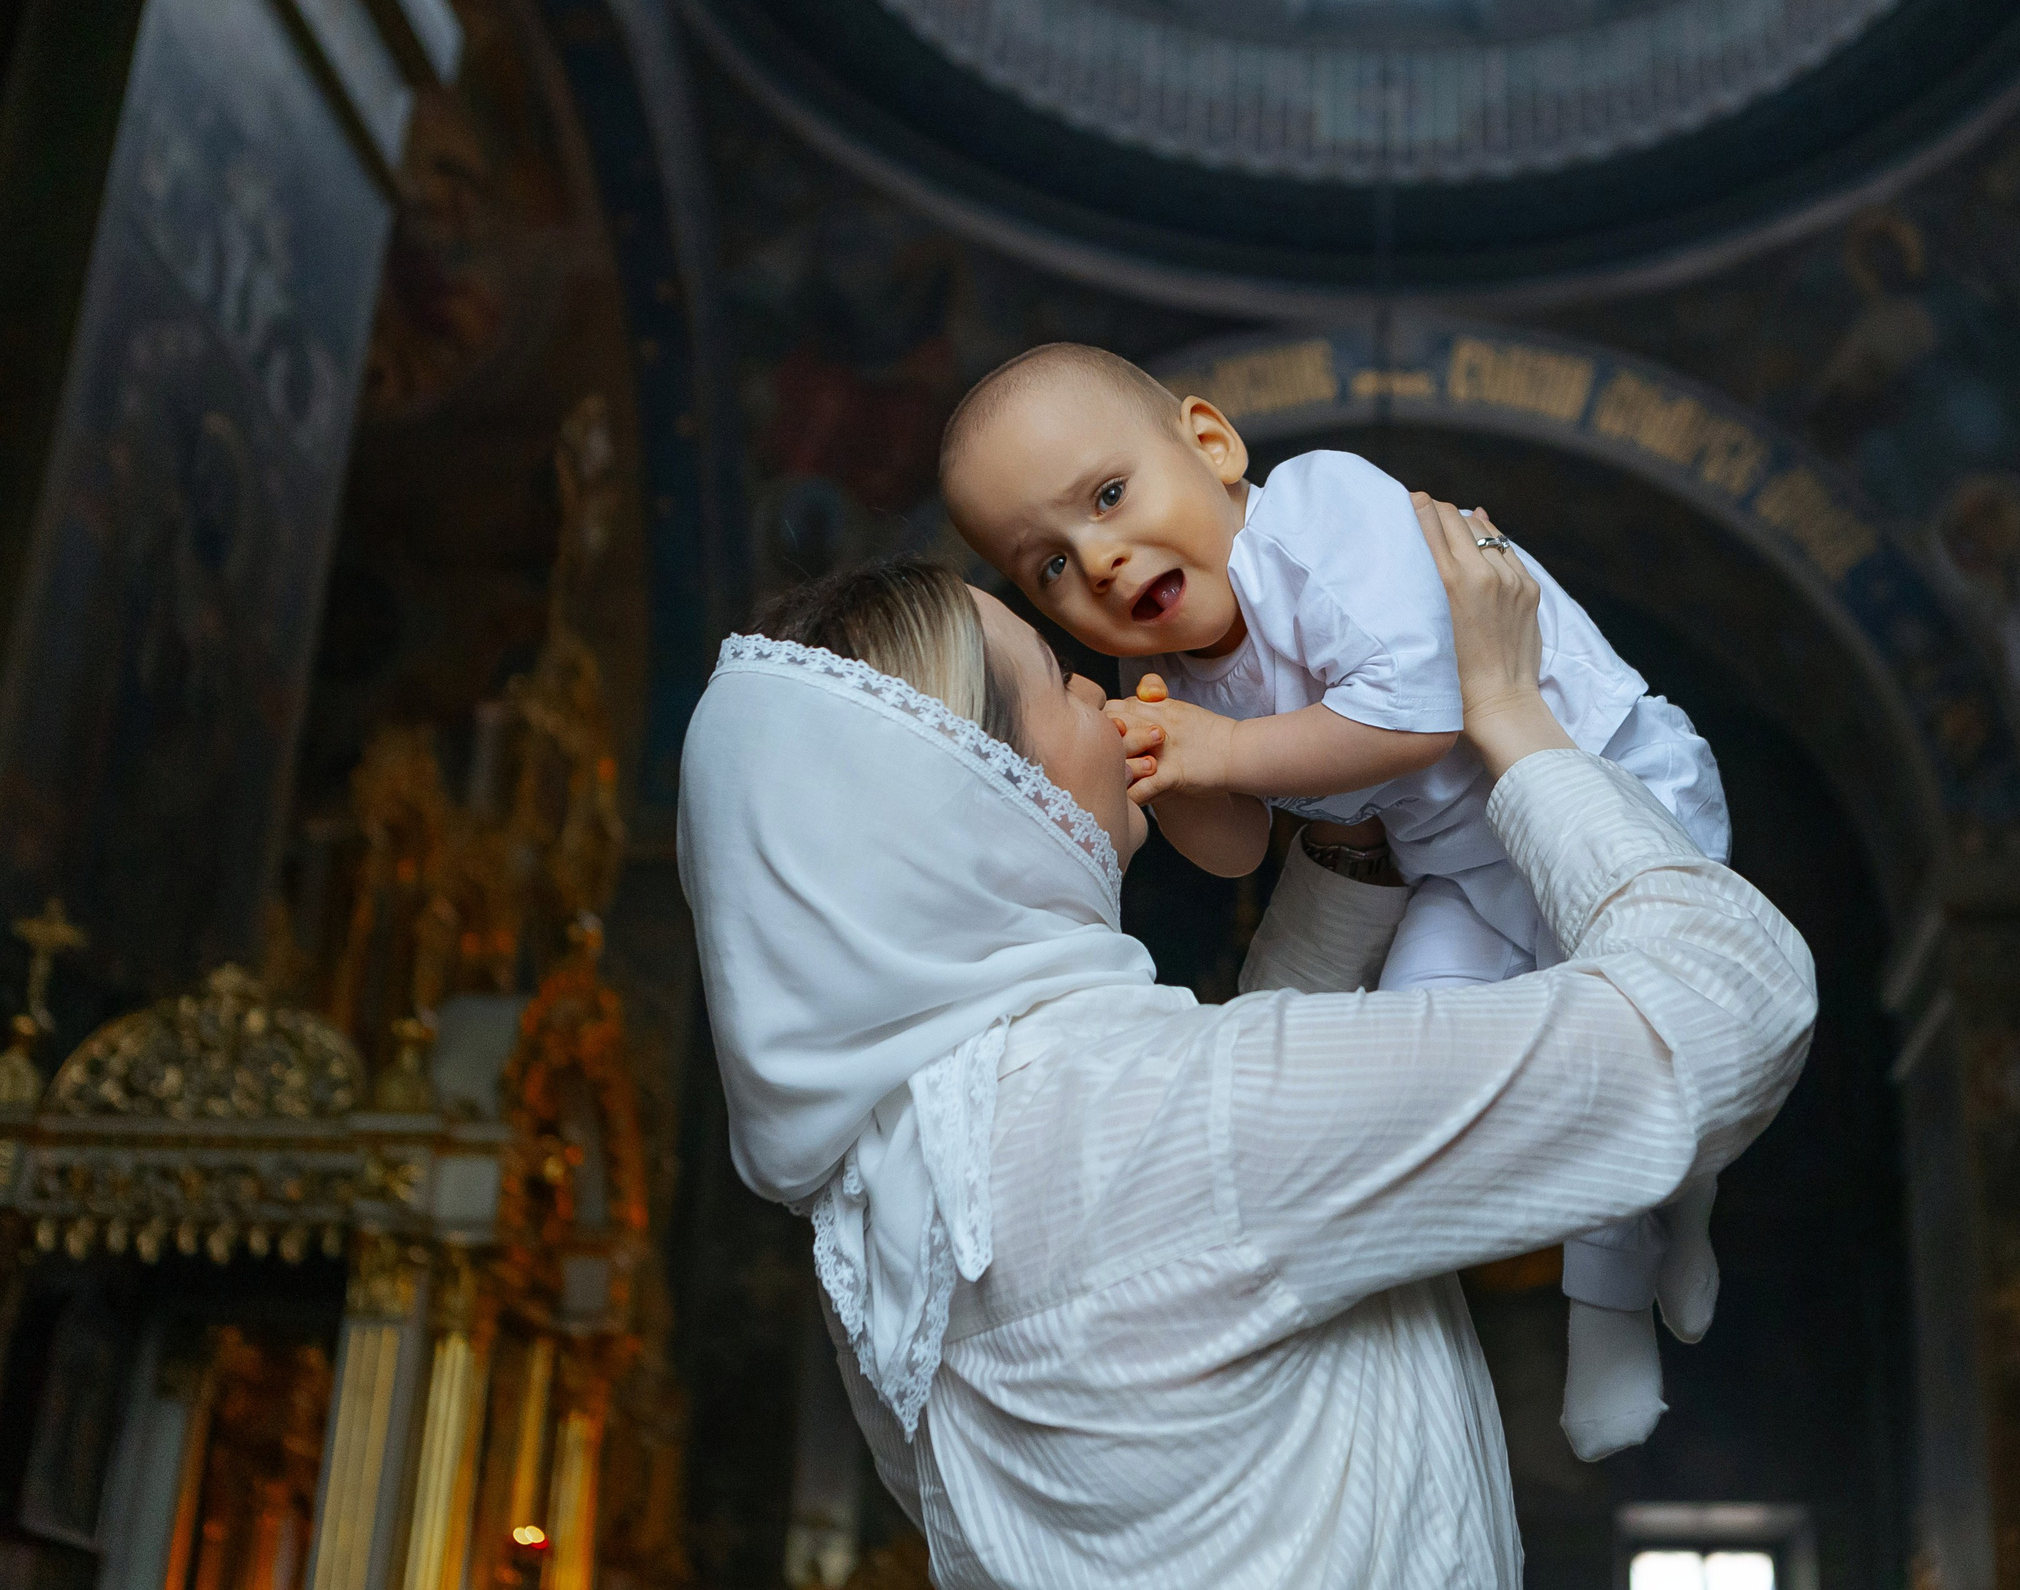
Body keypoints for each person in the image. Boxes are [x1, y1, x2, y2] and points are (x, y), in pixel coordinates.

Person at [677, 496, 1816, 1587]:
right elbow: (1725, 1013)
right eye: (1051, 678)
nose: (1096, 685)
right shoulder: (1158, 1118)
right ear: (982, 799)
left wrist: (1361, 840)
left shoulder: (885, 1214)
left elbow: (1223, 1228)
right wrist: (1516, 720)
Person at [938, 342, 1732, 1458]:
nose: (1102, 559)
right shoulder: (1164, 677)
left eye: (1109, 498)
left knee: (1629, 1038)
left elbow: (1422, 713)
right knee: (1414, 1052)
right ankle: (1640, 1216)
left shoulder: (1323, 512)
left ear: (1210, 446)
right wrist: (1170, 769)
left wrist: (1227, 744)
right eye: (1050, 568)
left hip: (1607, 789)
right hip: (1462, 872)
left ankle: (1627, 1290)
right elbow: (1234, 851)